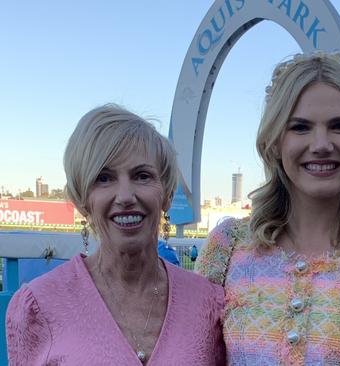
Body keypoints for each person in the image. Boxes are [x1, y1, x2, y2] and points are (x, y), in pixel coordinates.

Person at [195, 52, 340, 365]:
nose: (321, 144)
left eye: (339, 126)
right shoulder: (228, 247)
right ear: (275, 142)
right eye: (300, 127)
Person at [6, 105, 226, 365]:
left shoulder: (209, 304)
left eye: (142, 176)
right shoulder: (38, 306)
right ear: (82, 200)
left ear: (166, 195)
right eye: (104, 178)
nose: (125, 197)